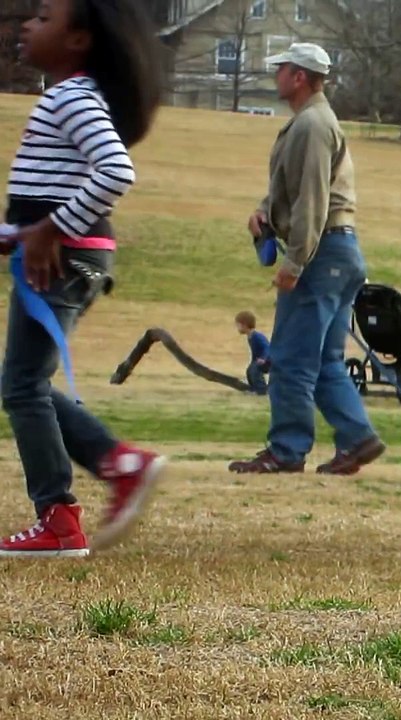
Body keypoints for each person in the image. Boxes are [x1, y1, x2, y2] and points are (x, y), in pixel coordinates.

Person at [0, 0, 167, 557]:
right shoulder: (70, 96)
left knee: (23, 385)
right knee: (27, 383)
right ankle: (97, 482)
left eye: (44, 18)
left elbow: (116, 171)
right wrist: (20, 232)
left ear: (78, 41)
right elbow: (40, 198)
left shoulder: (70, 95)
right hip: (62, 253)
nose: (27, 24)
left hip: (63, 258)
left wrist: (49, 230)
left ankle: (72, 506)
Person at [230, 43, 385, 476]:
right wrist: (266, 210)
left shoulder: (313, 125)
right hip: (340, 251)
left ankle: (286, 450)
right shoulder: (313, 121)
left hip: (320, 254)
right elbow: (295, 190)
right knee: (326, 361)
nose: (276, 74)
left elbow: (313, 199)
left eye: (281, 68)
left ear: (299, 77)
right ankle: (357, 439)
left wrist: (294, 263)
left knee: (292, 361)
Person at [236, 310, 270, 395]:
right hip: (260, 360)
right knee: (250, 370)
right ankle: (254, 388)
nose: (237, 328)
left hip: (268, 360)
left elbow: (267, 348)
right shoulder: (250, 337)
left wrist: (263, 359)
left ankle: (261, 390)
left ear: (245, 325)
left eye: (238, 325)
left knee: (255, 369)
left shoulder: (257, 336)